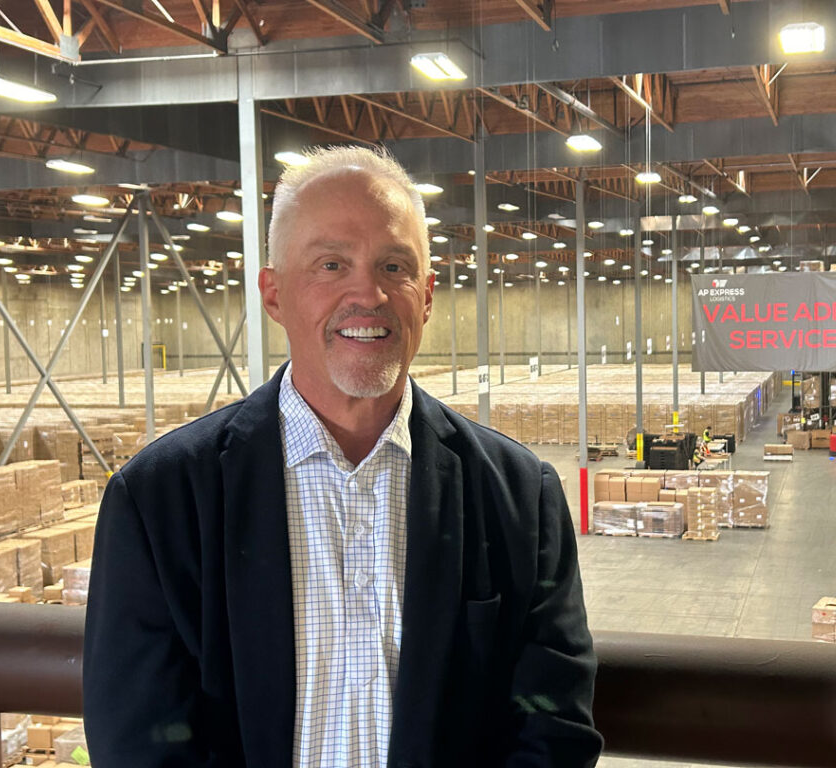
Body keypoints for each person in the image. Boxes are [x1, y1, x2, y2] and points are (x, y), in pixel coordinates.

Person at [83, 146, 602, 767]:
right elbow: (139, 743)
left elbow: (553, 729)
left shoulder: (518, 496)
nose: (369, 294)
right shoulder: (160, 501)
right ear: (274, 294)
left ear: (427, 296)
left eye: (393, 266)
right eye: (331, 265)